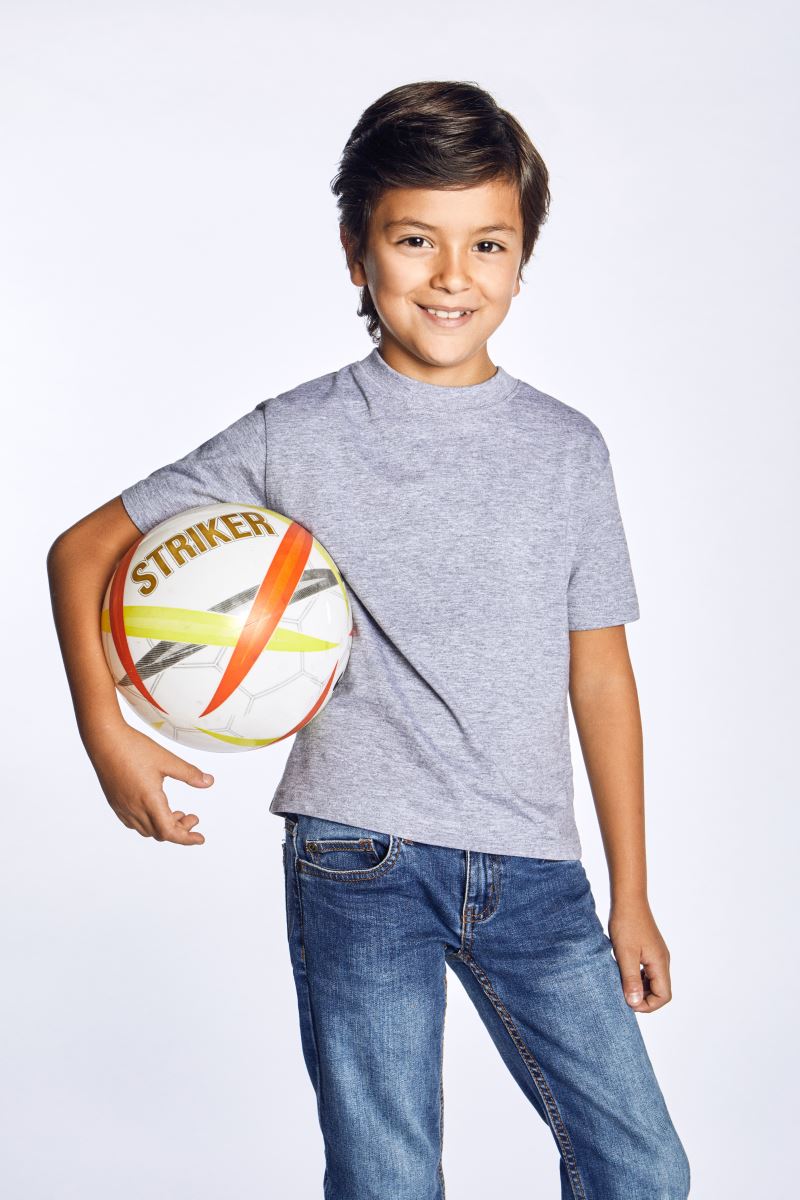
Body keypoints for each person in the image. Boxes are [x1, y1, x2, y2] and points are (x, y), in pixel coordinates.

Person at [47, 80, 691, 1198]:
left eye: (487, 243)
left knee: (641, 1168)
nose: (452, 276)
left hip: (534, 864)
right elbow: (82, 549)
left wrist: (629, 892)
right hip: (359, 854)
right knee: (385, 1176)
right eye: (413, 239)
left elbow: (598, 672)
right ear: (357, 252)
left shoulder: (567, 450)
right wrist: (108, 732)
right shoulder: (294, 433)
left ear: (521, 259)